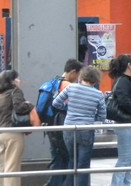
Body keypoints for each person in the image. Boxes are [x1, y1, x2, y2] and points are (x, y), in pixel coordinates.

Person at [52, 65, 107, 186]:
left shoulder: (71, 88)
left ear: (82, 76)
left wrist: (68, 109)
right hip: (86, 130)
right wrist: (92, 117)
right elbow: (102, 116)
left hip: (69, 128)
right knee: (83, 164)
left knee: (72, 160)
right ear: (96, 80)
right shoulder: (98, 94)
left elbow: (56, 103)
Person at [42, 58, 83, 186]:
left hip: (51, 126)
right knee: (68, 158)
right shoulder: (69, 87)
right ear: (73, 72)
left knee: (57, 157)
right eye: (78, 74)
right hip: (62, 126)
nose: (77, 78)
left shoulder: (54, 82)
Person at [108, 54, 131, 186]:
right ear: (129, 65)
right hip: (127, 124)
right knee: (125, 160)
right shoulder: (123, 81)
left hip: (129, 124)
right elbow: (123, 100)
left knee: (128, 160)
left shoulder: (124, 80)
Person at [0, 70, 34, 186]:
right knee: (12, 167)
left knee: (3, 167)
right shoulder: (16, 91)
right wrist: (28, 104)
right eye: (17, 78)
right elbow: (19, 107)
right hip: (13, 134)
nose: (20, 80)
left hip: (1, 133)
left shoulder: (1, 95)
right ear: (12, 81)